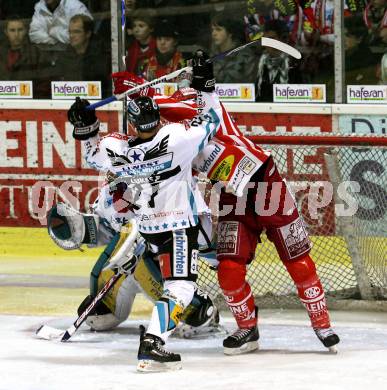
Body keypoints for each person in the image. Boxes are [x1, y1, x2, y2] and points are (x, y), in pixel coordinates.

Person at [112, 58, 340, 355]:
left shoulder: (204, 108)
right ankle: (247, 329)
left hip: (264, 183)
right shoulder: (170, 139)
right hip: (232, 197)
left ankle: (322, 324)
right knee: (229, 270)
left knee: (298, 262)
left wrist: (134, 86)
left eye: (186, 92)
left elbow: (171, 102)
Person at [67, 50, 221, 371]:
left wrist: (85, 124)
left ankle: (154, 339)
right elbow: (211, 121)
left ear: (134, 123)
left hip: (150, 230)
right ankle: (152, 343)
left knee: (172, 286)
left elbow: (94, 153)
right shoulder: (177, 137)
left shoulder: (118, 148)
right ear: (157, 117)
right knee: (181, 287)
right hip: (179, 228)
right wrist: (205, 83)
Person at [46, 201, 220, 338]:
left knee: (198, 313)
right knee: (97, 316)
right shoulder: (106, 204)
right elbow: (113, 232)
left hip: (166, 254)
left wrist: (147, 237)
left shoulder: (166, 187)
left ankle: (199, 311)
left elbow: (191, 234)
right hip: (138, 262)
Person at [60, 14, 111, 96]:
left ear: (88, 34)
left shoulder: (101, 57)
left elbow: (106, 89)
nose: (71, 36)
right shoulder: (64, 56)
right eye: (70, 32)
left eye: (76, 32)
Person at [211, 14, 257, 83]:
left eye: (218, 29)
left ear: (230, 33)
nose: (213, 33)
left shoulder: (245, 57)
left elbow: (250, 88)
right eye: (213, 30)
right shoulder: (211, 57)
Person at [0, 16, 39, 81]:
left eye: (20, 30)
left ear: (25, 31)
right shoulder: (1, 53)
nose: (16, 34)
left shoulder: (35, 53)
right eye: (12, 30)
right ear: (6, 32)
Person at [125, 11, 156, 76]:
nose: (136, 30)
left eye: (141, 26)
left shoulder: (158, 48)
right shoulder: (130, 48)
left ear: (151, 29)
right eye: (134, 26)